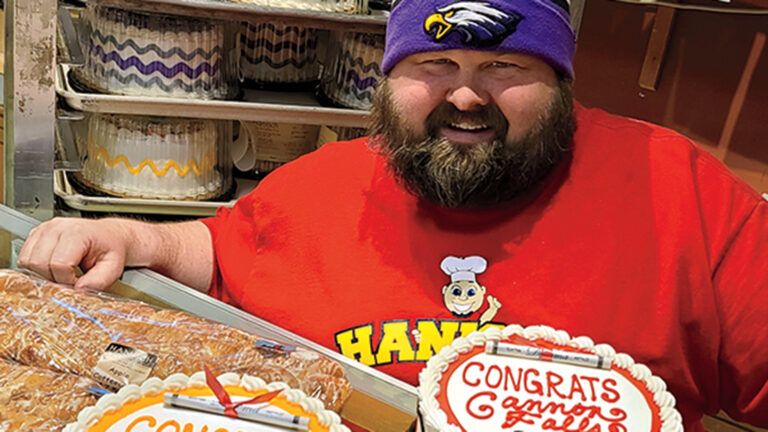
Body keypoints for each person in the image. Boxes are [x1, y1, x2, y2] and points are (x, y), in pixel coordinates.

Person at [18, 0, 767, 429]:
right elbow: (220, 249)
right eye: (432, 65)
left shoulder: (681, 194)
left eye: (505, 67)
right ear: (389, 78)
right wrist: (127, 235)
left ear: (562, 83)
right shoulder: (321, 184)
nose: (465, 96)